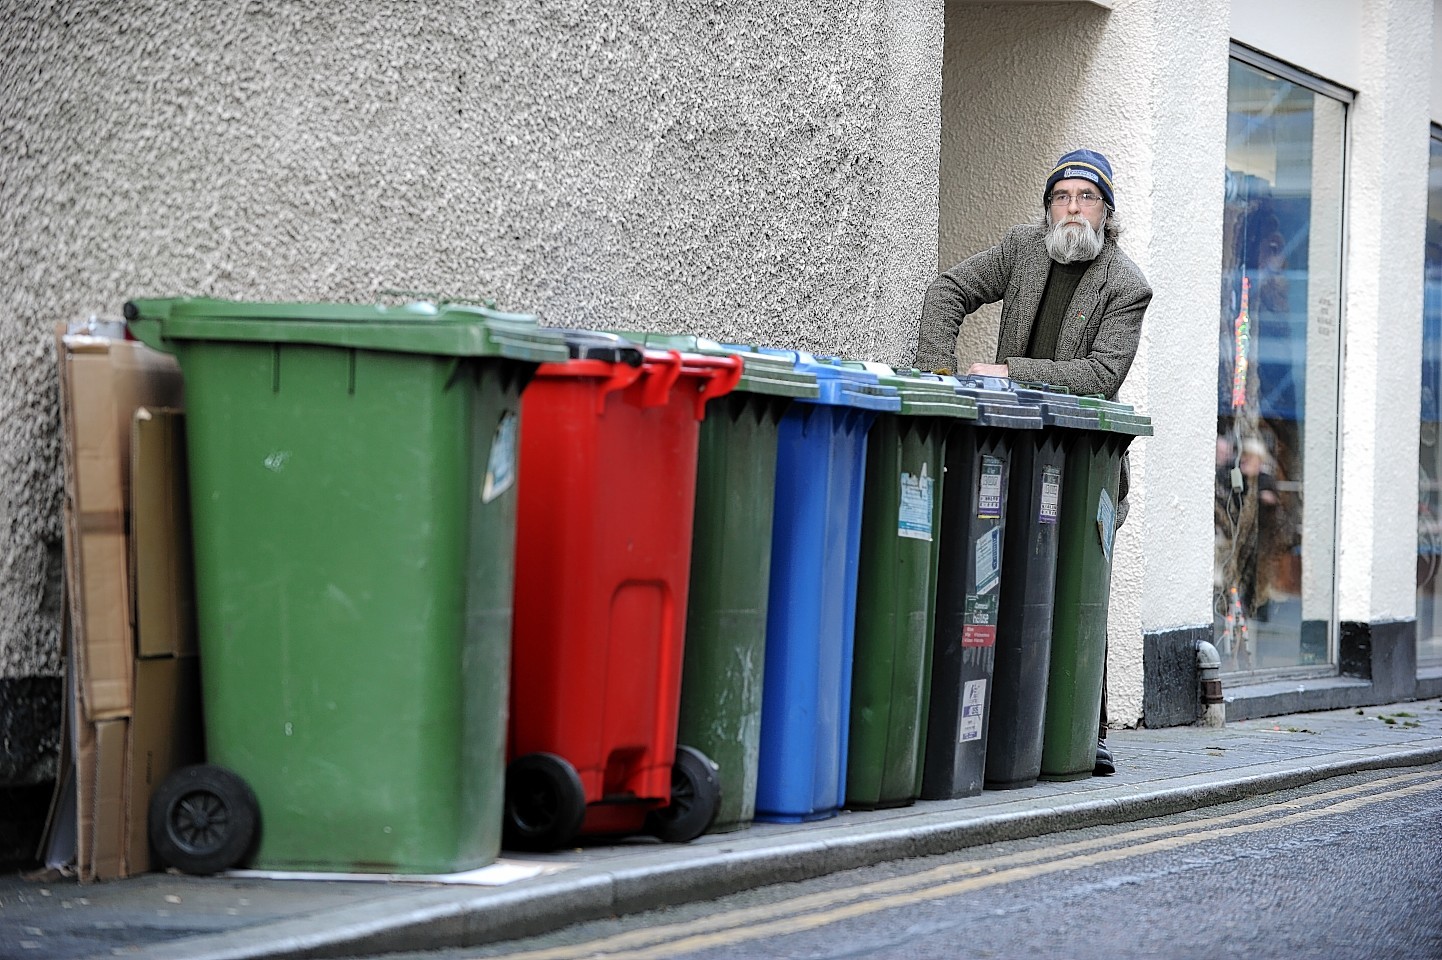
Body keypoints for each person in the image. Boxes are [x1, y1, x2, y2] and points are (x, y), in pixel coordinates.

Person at [915, 148, 1152, 776]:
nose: (1073, 208)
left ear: (1106, 211)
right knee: (994, 585)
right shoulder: (1024, 248)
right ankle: (997, 726)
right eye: (1062, 197)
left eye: (1086, 197)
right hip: (1008, 451)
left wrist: (1008, 372)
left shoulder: (1126, 285)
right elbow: (951, 290)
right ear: (1048, 207)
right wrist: (939, 372)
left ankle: (1085, 727)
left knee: (1075, 592)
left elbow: (1101, 375)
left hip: (1082, 462)